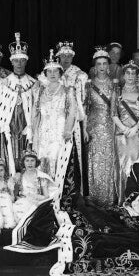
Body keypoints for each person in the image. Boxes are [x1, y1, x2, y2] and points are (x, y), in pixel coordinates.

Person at [47, 40, 88, 194]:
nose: (65, 59)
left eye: (68, 56)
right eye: (62, 55)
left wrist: (84, 126)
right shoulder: (51, 73)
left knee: (71, 152)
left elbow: (83, 102)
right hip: (53, 120)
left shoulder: (79, 75)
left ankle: (74, 190)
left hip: (73, 120)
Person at [32, 51, 77, 185]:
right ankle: (44, 191)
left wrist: (68, 130)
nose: (52, 74)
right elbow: (35, 112)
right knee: (42, 157)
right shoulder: (40, 91)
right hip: (44, 130)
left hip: (60, 130)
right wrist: (33, 131)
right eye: (49, 71)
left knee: (57, 157)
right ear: (45, 74)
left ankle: (57, 192)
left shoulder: (68, 90)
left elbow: (72, 112)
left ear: (60, 73)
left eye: (55, 71)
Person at [0, 34, 36, 175]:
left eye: (22, 61)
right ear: (12, 62)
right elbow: (0, 108)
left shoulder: (33, 83)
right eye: (16, 61)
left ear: (26, 62)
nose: (19, 64)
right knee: (10, 155)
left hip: (26, 127)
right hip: (10, 127)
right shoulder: (3, 83)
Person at [85, 47, 119, 206]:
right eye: (99, 63)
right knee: (94, 160)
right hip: (93, 126)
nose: (102, 67)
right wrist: (86, 127)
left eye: (105, 63)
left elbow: (117, 108)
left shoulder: (115, 85)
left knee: (108, 160)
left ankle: (108, 198)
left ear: (109, 65)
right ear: (95, 66)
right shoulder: (88, 84)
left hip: (110, 125)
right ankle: (94, 197)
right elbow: (85, 108)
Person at [113, 60, 139, 204]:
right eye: (127, 73)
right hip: (121, 134)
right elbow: (113, 114)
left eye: (133, 73)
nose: (130, 76)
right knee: (122, 165)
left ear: (136, 75)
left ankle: (136, 201)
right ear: (123, 75)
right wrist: (124, 128)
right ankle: (123, 200)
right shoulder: (117, 91)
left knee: (136, 164)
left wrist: (135, 128)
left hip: (137, 135)